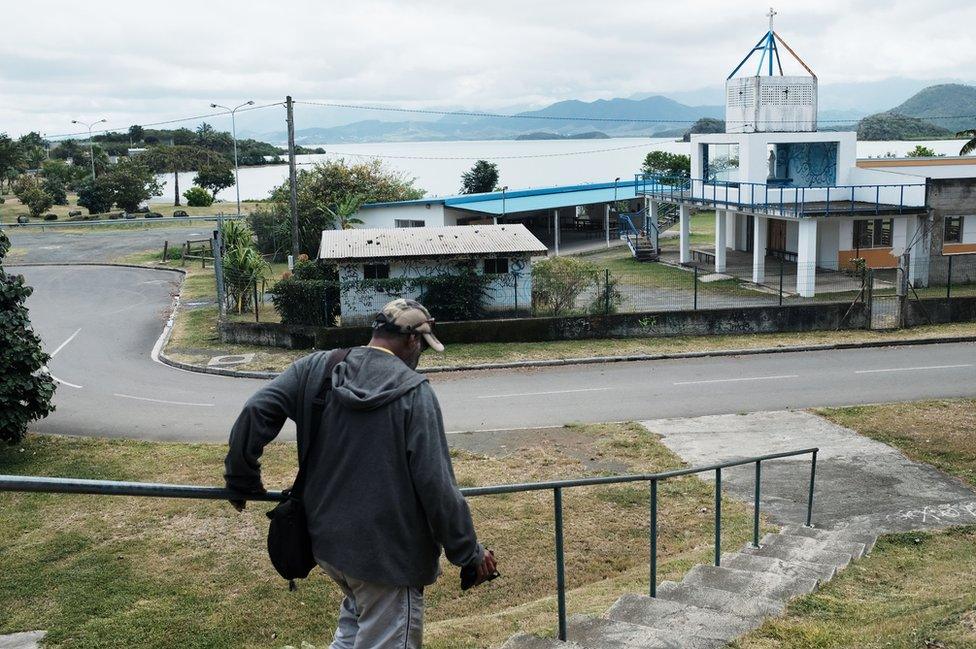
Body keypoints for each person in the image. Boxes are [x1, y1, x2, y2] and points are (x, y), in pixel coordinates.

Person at [224, 298, 497, 649]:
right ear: (413, 341)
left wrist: (241, 479)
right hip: (387, 560)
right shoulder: (415, 393)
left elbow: (256, 409)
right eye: (423, 348)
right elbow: (438, 488)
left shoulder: (318, 368)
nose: (420, 358)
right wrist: (469, 554)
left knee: (353, 632)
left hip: (329, 547)